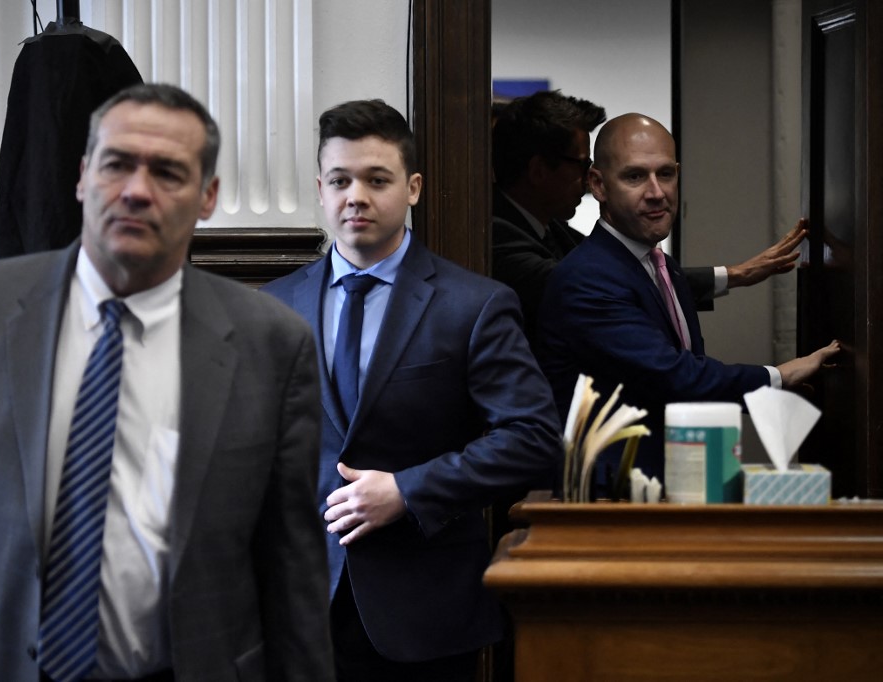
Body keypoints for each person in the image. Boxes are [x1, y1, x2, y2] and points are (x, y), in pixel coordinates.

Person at [0, 83, 333, 682]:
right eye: (116, 165)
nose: (136, 191)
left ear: (207, 197)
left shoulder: (273, 343)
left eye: (167, 172)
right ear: (83, 176)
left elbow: (292, 568)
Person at [262, 99, 563, 682]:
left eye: (378, 180)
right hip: (296, 610)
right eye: (341, 180)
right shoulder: (272, 308)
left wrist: (408, 489)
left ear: (413, 188)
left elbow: (534, 438)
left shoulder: (474, 305)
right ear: (320, 190)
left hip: (424, 612)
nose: (357, 196)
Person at [535, 112, 840, 489]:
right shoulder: (586, 279)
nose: (656, 192)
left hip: (666, 489)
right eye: (634, 176)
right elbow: (677, 377)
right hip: (606, 505)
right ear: (598, 184)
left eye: (665, 174)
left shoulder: (659, 264)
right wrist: (780, 374)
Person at [491, 90, 808, 346]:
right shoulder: (495, 235)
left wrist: (735, 274)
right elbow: (605, 283)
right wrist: (736, 275)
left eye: (667, 173)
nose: (588, 178)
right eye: (581, 165)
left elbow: (626, 271)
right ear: (538, 171)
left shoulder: (551, 225)